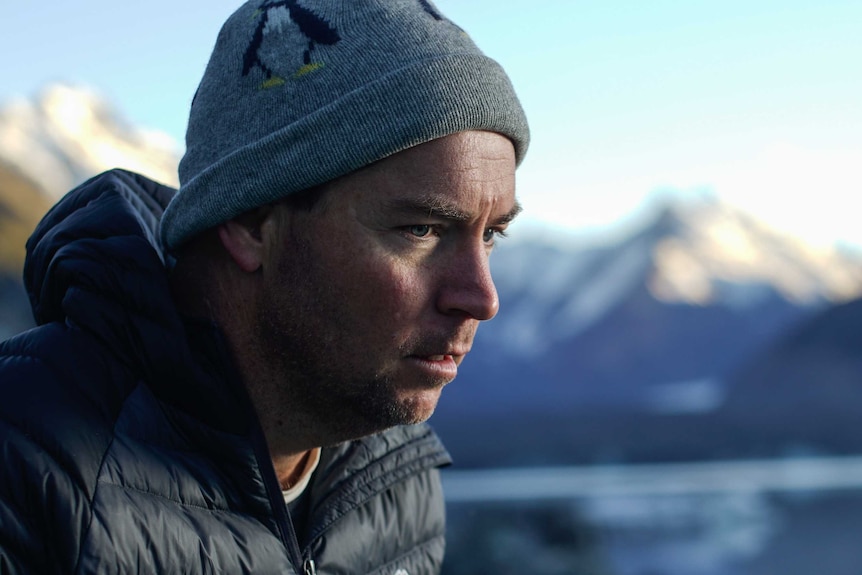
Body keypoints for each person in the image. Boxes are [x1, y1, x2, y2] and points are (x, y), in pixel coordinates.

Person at [0, 0, 529, 573]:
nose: (481, 297)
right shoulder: (23, 468)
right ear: (252, 221)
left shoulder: (395, 482)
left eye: (492, 234)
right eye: (421, 229)